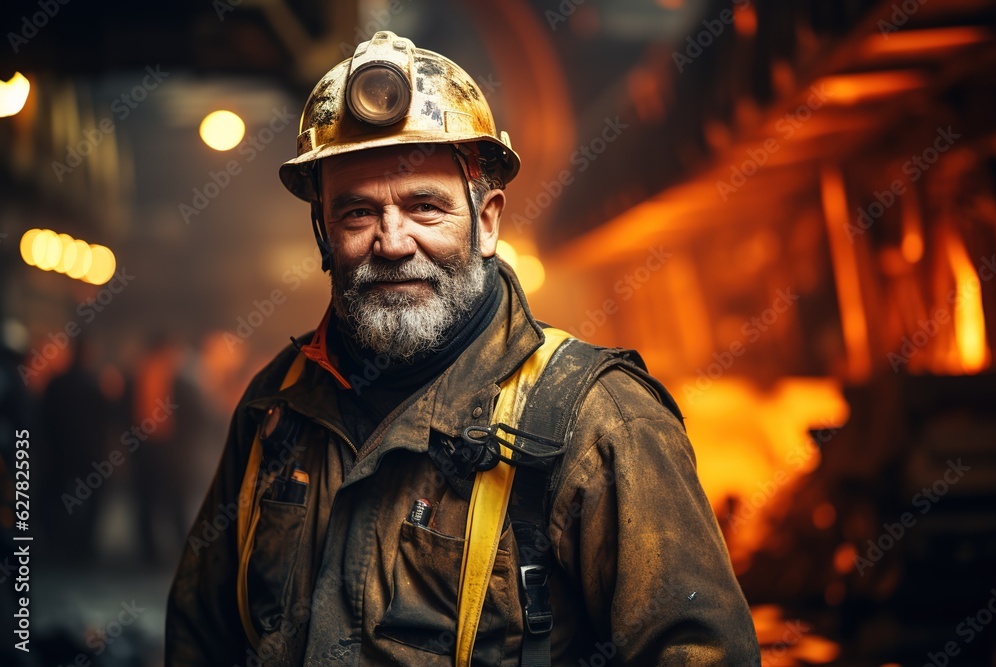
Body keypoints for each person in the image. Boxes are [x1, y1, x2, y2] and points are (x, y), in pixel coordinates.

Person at [166, 31, 759, 666]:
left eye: (425, 207)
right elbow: (203, 637)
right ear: (323, 234)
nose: (392, 242)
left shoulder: (599, 424)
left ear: (487, 221)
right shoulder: (275, 408)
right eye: (357, 214)